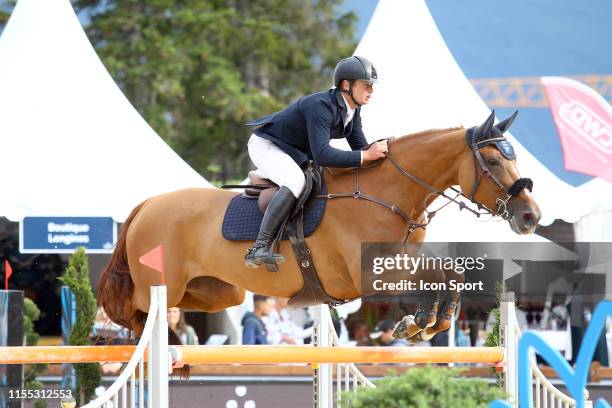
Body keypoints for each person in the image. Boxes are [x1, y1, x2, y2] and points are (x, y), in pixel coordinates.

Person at [244, 56, 388, 268]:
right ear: (346, 85)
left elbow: (360, 148)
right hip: (266, 145)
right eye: (366, 85)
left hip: (292, 151)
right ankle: (259, 247)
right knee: (296, 181)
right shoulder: (320, 106)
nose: (371, 90)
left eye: (372, 86)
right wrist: (365, 156)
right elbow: (323, 155)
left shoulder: (353, 110)